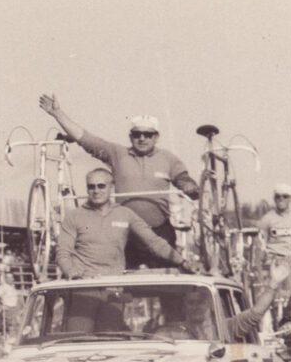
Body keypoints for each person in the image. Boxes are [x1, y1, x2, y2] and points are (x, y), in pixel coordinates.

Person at [39, 95, 200, 269]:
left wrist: (189, 186)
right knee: (123, 279)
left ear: (156, 137)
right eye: (137, 134)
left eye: (148, 134)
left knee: (166, 278)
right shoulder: (117, 154)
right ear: (131, 137)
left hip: (160, 230)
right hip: (125, 232)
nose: (142, 138)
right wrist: (57, 113)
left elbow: (183, 179)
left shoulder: (168, 159)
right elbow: (84, 138)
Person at [56, 168, 197, 280]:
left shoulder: (125, 214)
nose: (96, 191)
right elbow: (63, 252)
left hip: (114, 284)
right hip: (83, 284)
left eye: (101, 186)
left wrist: (182, 262)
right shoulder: (74, 216)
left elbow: (154, 242)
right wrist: (70, 272)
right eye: (91, 187)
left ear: (111, 187)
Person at [157, 269, 289, 342]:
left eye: (201, 302)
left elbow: (255, 313)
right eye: (191, 303)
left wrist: (273, 284)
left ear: (209, 304)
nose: (196, 306)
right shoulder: (173, 331)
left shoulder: (225, 327)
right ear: (185, 306)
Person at [258, 183, 291, 321]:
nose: (281, 199)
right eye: (278, 196)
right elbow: (260, 243)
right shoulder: (267, 219)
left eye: (285, 196)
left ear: (290, 198)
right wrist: (261, 265)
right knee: (269, 298)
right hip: (274, 261)